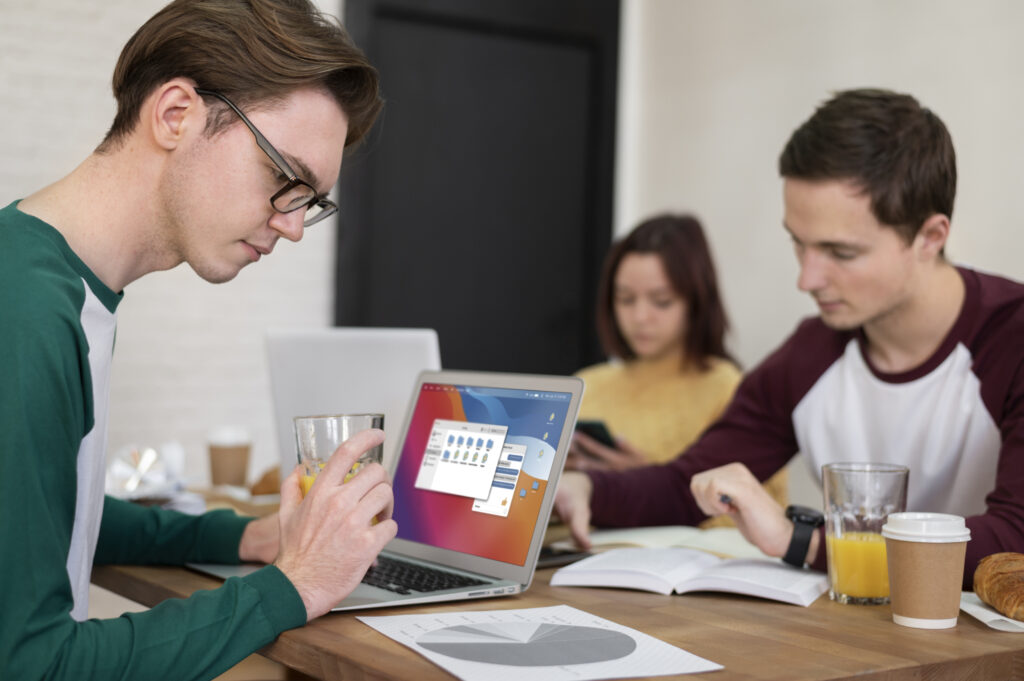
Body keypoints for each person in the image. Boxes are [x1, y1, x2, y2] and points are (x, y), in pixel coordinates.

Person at [0, 1, 397, 679]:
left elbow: (57, 512)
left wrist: (244, 535)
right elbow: (31, 665)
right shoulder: (28, 310)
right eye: (284, 177)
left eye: (311, 199)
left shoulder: (53, 278)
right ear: (176, 114)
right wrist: (293, 584)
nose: (294, 226)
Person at [554, 88, 1024, 590]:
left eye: (839, 252)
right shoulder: (813, 350)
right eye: (798, 243)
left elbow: (1014, 540)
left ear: (930, 237)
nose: (807, 279)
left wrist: (802, 540)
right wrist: (587, 488)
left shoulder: (1011, 340)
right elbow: (690, 481)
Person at [568, 215, 788, 524]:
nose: (640, 316)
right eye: (625, 299)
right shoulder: (586, 384)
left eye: (661, 301)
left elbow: (764, 521)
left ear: (696, 302)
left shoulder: (729, 389)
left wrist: (642, 483)